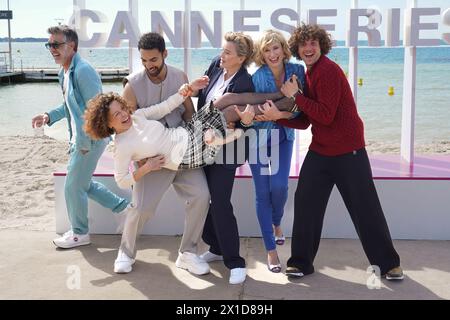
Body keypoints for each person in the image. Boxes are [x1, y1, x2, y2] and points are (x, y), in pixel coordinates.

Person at [259, 24, 403, 280]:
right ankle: (300, 263)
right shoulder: (308, 73)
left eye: (313, 43)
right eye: (303, 45)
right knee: (306, 203)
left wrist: (295, 96)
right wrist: (278, 116)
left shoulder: (328, 70)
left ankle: (389, 264)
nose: (308, 48)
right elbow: (306, 120)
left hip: (350, 151)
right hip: (322, 150)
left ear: (321, 46)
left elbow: (325, 115)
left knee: (365, 208)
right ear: (297, 50)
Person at [31, 25, 130, 249]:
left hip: (91, 139)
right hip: (80, 138)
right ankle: (123, 209)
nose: (52, 49)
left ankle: (80, 233)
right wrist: (48, 116)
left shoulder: (83, 70)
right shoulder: (64, 72)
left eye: (57, 44)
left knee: (73, 187)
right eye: (50, 44)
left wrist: (84, 143)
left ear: (72, 45)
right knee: (81, 184)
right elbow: (70, 106)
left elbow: (95, 110)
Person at [196, 31, 256, 285]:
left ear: (241, 58)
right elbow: (204, 102)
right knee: (203, 198)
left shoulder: (245, 83)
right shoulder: (215, 65)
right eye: (222, 50)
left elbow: (243, 124)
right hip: (203, 146)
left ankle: (235, 261)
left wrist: (225, 130)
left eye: (228, 52)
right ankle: (217, 247)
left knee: (220, 201)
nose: (222, 55)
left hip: (228, 150)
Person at [249, 30, 305, 273]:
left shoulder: (298, 71)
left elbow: (301, 107)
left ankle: (277, 222)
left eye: (276, 48)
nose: (272, 54)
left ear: (283, 49)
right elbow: (254, 111)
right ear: (261, 54)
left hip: (283, 135)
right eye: (266, 50)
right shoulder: (256, 77)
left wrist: (280, 114)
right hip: (258, 139)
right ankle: (271, 251)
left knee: (280, 187)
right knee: (263, 193)